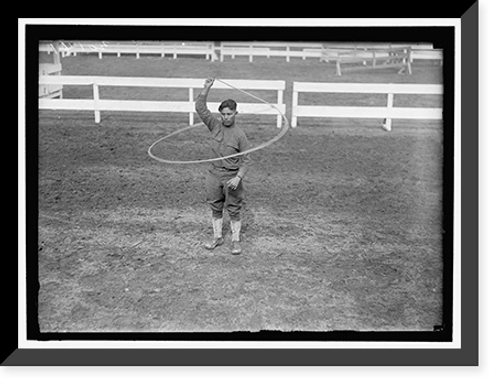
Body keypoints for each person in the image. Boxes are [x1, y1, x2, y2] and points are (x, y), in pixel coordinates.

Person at [195, 77, 251, 255]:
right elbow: (200, 109)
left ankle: (235, 241)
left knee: (234, 208)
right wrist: (206, 88)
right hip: (213, 175)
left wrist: (238, 177)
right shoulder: (214, 126)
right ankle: (217, 237)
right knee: (215, 206)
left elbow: (247, 159)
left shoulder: (240, 135)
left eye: (230, 114)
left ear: (236, 113)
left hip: (231, 177)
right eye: (224, 114)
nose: (226, 117)